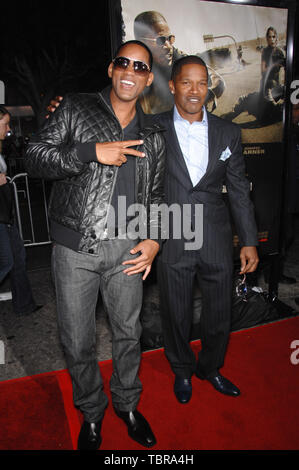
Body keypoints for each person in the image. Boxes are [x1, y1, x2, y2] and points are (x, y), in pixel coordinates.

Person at [25, 40, 165, 450]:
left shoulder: (154, 133)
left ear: (148, 79)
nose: (130, 71)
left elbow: (155, 196)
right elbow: (34, 156)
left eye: (140, 67)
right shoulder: (76, 107)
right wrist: (90, 152)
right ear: (110, 68)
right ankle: (91, 412)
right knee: (76, 340)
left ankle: (127, 404)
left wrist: (155, 239)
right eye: (123, 62)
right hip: (75, 249)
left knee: (128, 333)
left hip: (128, 248)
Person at [155, 56, 259, 404]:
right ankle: (182, 370)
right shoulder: (152, 128)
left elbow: (240, 190)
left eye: (202, 82)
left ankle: (211, 368)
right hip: (172, 236)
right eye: (187, 82)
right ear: (173, 86)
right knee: (175, 312)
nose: (196, 90)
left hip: (215, 234)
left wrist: (248, 240)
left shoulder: (229, 132)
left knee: (219, 310)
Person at [133, 10, 225, 114]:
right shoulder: (133, 70)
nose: (168, 46)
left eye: (170, 38)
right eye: (160, 40)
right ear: (142, 43)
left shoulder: (181, 59)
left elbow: (218, 82)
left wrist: (202, 97)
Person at [0, 105, 41, 316]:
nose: (8, 129)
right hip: (1, 217)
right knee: (7, 260)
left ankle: (24, 305)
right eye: (5, 123)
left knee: (18, 256)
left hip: (5, 215)